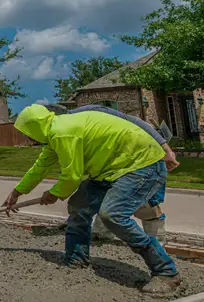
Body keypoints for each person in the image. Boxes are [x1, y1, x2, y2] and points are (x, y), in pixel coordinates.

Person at [3, 104, 181, 295]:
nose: (27, 137)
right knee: (79, 206)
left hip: (140, 164)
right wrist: (17, 192)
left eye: (26, 132)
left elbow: (72, 176)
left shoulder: (63, 132)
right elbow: (40, 168)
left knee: (113, 215)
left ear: (33, 129)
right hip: (110, 169)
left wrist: (53, 194)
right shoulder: (54, 134)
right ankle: (76, 259)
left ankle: (166, 273)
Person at [46, 104, 179, 244]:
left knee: (145, 205)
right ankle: (100, 235)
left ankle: (157, 241)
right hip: (112, 165)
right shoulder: (70, 130)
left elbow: (139, 124)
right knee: (104, 199)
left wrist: (166, 149)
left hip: (141, 158)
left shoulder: (93, 112)